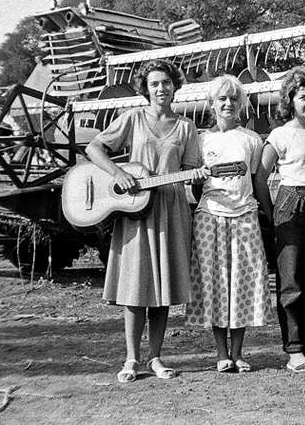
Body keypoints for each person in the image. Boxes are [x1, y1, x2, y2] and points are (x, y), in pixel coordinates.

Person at [85, 59, 206, 382]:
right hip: (136, 210)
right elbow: (94, 148)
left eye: (166, 82)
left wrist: (198, 177)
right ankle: (131, 359)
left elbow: (191, 173)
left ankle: (155, 357)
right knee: (135, 286)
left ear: (175, 86)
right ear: (146, 89)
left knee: (162, 286)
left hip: (171, 210)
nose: (161, 88)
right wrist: (118, 173)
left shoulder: (186, 127)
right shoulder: (133, 118)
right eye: (154, 84)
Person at [185, 75, 273, 373]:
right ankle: (221, 353)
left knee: (242, 283)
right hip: (209, 216)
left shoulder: (252, 139)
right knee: (215, 284)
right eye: (222, 99)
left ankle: (238, 353)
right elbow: (195, 188)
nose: (228, 104)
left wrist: (271, 215)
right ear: (211, 104)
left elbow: (258, 182)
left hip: (245, 215)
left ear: (241, 104)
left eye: (234, 99)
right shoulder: (201, 140)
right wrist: (196, 179)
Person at [255, 66, 305, 373]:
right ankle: (294, 350)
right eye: (303, 97)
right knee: (291, 282)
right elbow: (260, 176)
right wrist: (272, 211)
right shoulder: (281, 134)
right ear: (290, 100)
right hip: (292, 202)